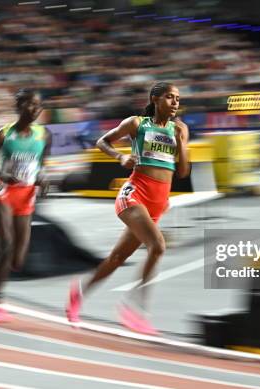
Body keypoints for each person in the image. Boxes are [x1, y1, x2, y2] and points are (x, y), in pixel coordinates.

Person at [66, 82, 190, 335]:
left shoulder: (180, 129)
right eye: (169, 97)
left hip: (158, 202)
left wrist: (181, 143)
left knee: (117, 258)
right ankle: (134, 309)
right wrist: (120, 157)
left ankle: (78, 293)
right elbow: (102, 141)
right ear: (155, 99)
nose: (175, 102)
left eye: (177, 98)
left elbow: (184, 172)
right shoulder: (137, 124)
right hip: (135, 194)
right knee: (158, 246)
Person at [0, 89, 51, 322]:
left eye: (38, 106)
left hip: (26, 197)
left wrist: (43, 180)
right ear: (19, 107)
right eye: (30, 104)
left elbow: (42, 165)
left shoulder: (44, 135)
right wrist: (0, 173)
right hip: (3, 195)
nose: (35, 110)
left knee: (18, 260)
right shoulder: (3, 135)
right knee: (5, 248)